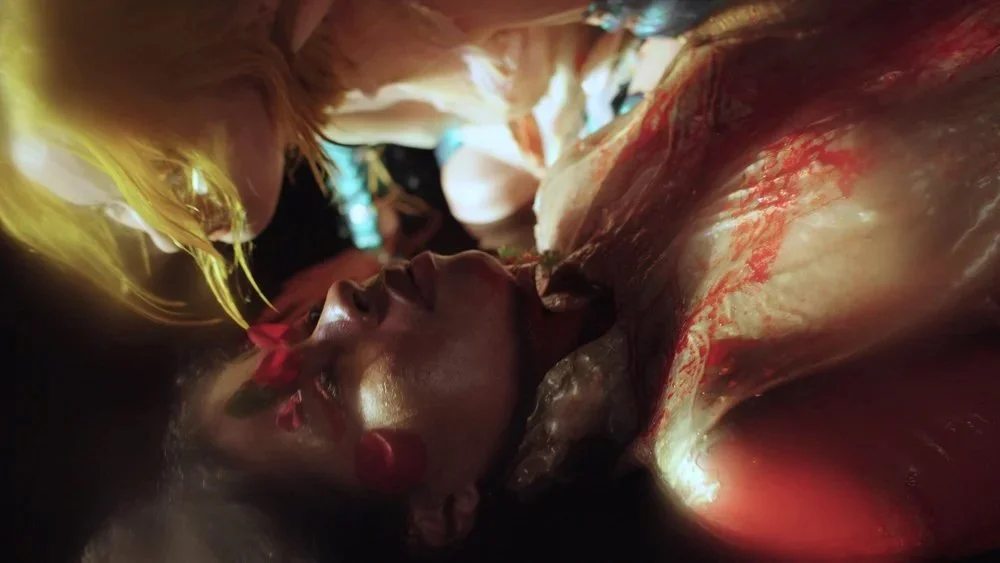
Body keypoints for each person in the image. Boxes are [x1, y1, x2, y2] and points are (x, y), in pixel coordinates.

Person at [140, 0, 1000, 560]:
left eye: (299, 330)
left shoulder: (576, 200)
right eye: (329, 382)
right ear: (441, 513)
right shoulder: (740, 460)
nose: (338, 304)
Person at [0, 0, 712, 325]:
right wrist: (373, 250)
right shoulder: (300, 77)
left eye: (159, 173)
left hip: (612, 45)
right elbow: (364, 139)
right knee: (476, 186)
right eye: (116, 210)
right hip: (534, 102)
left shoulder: (371, 20)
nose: (162, 237)